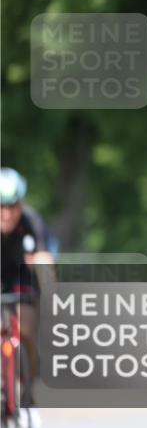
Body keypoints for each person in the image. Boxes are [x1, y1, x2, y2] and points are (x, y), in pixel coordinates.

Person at [0, 167, 54, 428]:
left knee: (27, 329)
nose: (7, 214)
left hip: (21, 281)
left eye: (12, 206)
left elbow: (44, 259)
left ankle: (28, 395)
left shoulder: (31, 221)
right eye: (1, 207)